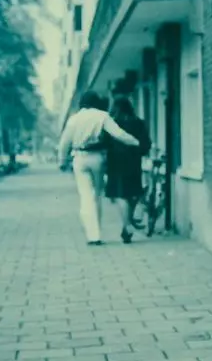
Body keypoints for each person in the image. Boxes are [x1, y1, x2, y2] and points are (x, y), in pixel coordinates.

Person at [58, 91, 140, 246]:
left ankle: (93, 236)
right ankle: (97, 230)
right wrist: (135, 142)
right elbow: (119, 134)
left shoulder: (74, 119)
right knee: (97, 195)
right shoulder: (102, 116)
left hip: (80, 158)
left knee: (86, 196)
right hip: (98, 158)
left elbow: (64, 142)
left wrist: (62, 160)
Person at [105, 96, 151, 244]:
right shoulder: (139, 123)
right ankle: (127, 229)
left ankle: (127, 225)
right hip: (134, 163)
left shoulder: (112, 123)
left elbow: (105, 143)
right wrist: (138, 152)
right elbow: (146, 144)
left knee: (120, 195)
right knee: (132, 194)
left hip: (115, 164)